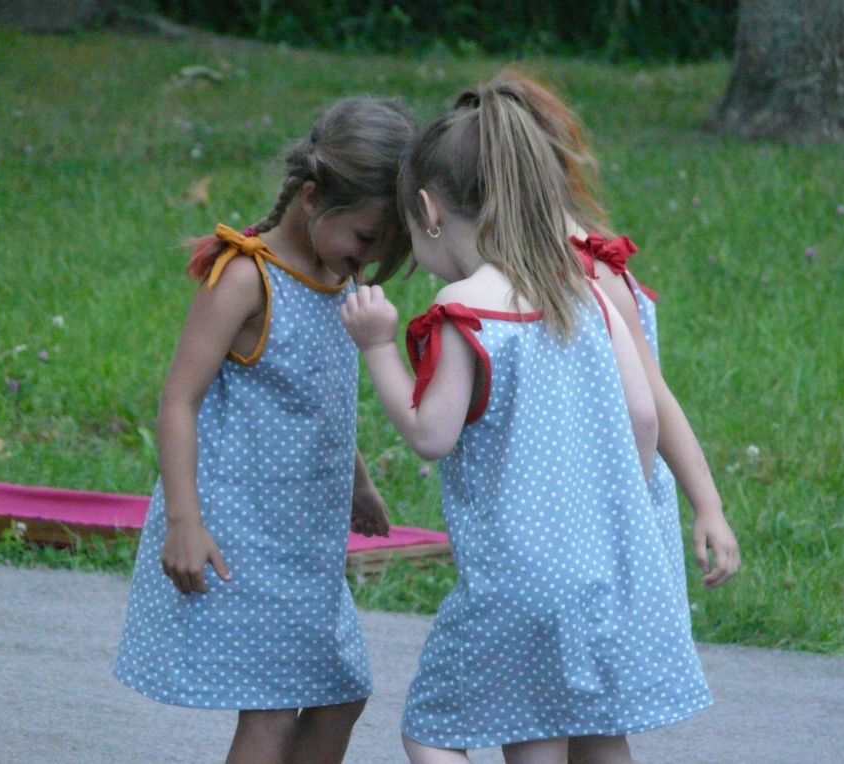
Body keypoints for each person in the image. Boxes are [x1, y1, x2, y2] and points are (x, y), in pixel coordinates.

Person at [341, 84, 712, 764]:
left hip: (512, 582)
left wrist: (377, 347)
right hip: (594, 574)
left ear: (427, 210)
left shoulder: (464, 310)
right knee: (553, 726)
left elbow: (430, 434)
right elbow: (641, 415)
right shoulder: (584, 295)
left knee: (431, 731)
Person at [113, 97, 416, 764]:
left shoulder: (336, 281)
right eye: (366, 239)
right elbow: (178, 401)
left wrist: (359, 481)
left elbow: (318, 396)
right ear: (313, 197)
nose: (368, 260)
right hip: (242, 530)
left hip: (303, 537)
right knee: (275, 709)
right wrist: (184, 523)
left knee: (340, 691)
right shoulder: (248, 279)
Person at [461, 70, 741, 602]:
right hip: (582, 508)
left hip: (613, 507)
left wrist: (707, 506)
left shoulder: (589, 274)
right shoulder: (539, 271)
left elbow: (650, 406)